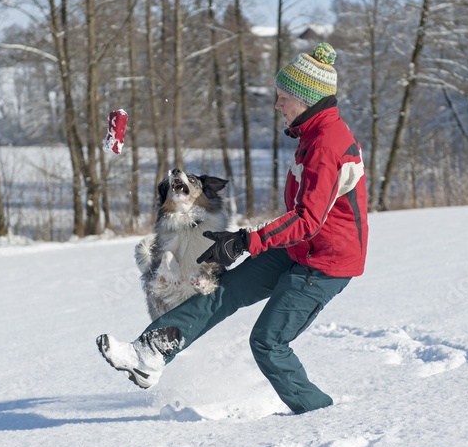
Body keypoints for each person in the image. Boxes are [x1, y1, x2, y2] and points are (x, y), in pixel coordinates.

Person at [96, 42, 368, 415]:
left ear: (306, 99)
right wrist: (246, 240)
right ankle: (149, 354)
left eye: (283, 97)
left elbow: (308, 219)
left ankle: (320, 415)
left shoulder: (326, 144)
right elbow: (303, 220)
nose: (277, 105)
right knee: (220, 290)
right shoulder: (313, 136)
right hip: (299, 248)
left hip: (325, 264)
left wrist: (247, 240)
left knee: (269, 342)